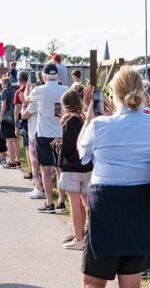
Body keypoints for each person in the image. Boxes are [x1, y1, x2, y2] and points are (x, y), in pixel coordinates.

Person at [78, 67, 150, 287]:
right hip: (144, 205)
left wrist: (89, 120)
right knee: (131, 281)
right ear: (142, 93)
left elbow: (82, 155)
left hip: (106, 206)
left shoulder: (99, 125)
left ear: (113, 96)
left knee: (94, 281)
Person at [27, 64, 68, 213]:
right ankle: (62, 201)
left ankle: (49, 202)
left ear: (44, 77)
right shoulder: (65, 90)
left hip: (44, 134)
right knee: (60, 169)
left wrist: (29, 87)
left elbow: (27, 101)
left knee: (45, 169)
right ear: (57, 76)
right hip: (61, 133)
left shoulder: (38, 90)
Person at [57, 89, 93, 250]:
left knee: (74, 204)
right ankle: (89, 235)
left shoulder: (69, 121)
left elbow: (68, 147)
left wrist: (59, 146)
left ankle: (78, 238)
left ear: (66, 105)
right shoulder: (83, 118)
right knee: (87, 205)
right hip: (87, 166)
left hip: (72, 167)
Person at [13, 72, 32, 178]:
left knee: (28, 149)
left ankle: (32, 171)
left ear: (19, 79)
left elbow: (17, 111)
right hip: (36, 122)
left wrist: (16, 127)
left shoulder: (19, 92)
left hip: (25, 123)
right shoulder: (34, 89)